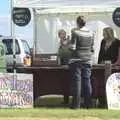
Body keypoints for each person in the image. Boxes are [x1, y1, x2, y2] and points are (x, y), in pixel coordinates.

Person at [69, 16, 94, 109]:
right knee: (87, 81)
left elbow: (72, 47)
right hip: (87, 60)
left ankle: (76, 105)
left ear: (77, 23)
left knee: (77, 82)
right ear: (85, 23)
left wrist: (68, 44)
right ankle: (89, 104)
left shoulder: (75, 32)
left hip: (76, 60)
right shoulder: (91, 33)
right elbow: (92, 48)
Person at [98, 27, 120, 108]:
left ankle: (112, 101)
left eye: (104, 33)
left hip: (113, 66)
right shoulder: (103, 41)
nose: (103, 35)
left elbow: (118, 55)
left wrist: (115, 64)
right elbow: (100, 53)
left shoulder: (117, 42)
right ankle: (102, 101)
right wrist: (99, 63)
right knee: (101, 83)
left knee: (112, 84)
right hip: (103, 65)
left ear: (109, 33)